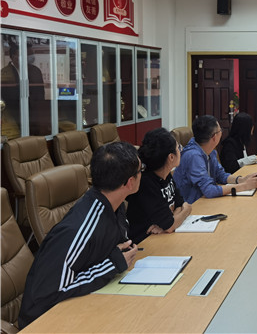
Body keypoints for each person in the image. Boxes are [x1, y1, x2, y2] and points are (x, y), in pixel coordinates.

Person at [18, 142, 142, 328]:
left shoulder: (115, 206)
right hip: (47, 322)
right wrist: (112, 264)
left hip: (89, 305)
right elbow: (47, 295)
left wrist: (118, 256)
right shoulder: (78, 229)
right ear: (130, 182)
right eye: (141, 170)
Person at [173, 115, 257, 203]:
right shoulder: (193, 156)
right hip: (193, 205)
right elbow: (209, 190)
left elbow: (220, 175)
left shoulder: (210, 151)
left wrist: (241, 180)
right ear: (214, 137)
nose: (221, 133)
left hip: (205, 201)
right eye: (220, 130)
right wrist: (244, 186)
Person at [126, 128, 192, 244]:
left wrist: (170, 222)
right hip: (145, 242)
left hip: (162, 238)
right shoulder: (146, 183)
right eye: (178, 148)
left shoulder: (166, 174)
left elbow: (179, 203)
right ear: (171, 157)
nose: (180, 151)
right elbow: (177, 216)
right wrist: (186, 210)